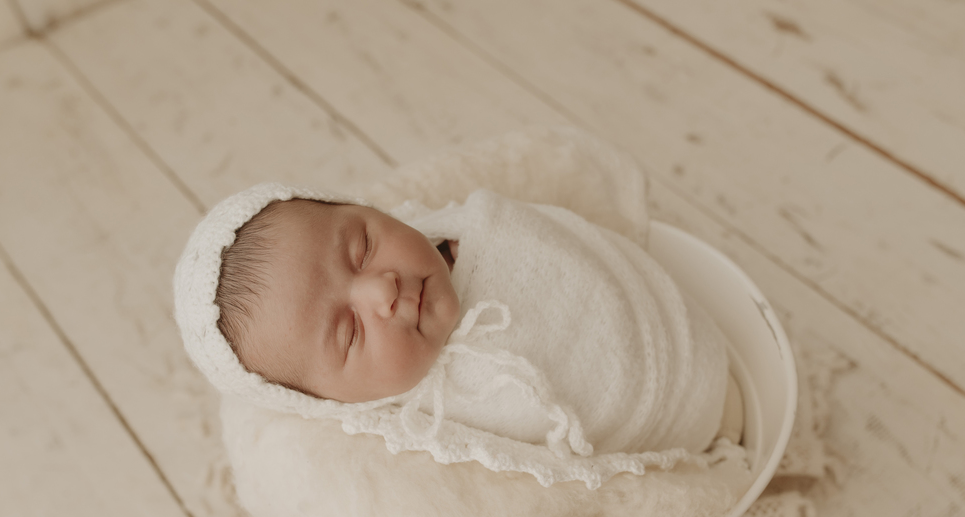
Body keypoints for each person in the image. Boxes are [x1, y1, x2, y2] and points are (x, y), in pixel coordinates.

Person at [175, 182, 741, 489]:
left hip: (698, 337)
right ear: (332, 402)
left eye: (362, 247)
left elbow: (584, 261)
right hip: (668, 450)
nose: (381, 289)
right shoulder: (426, 440)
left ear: (365, 207)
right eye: (349, 332)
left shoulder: (475, 228)